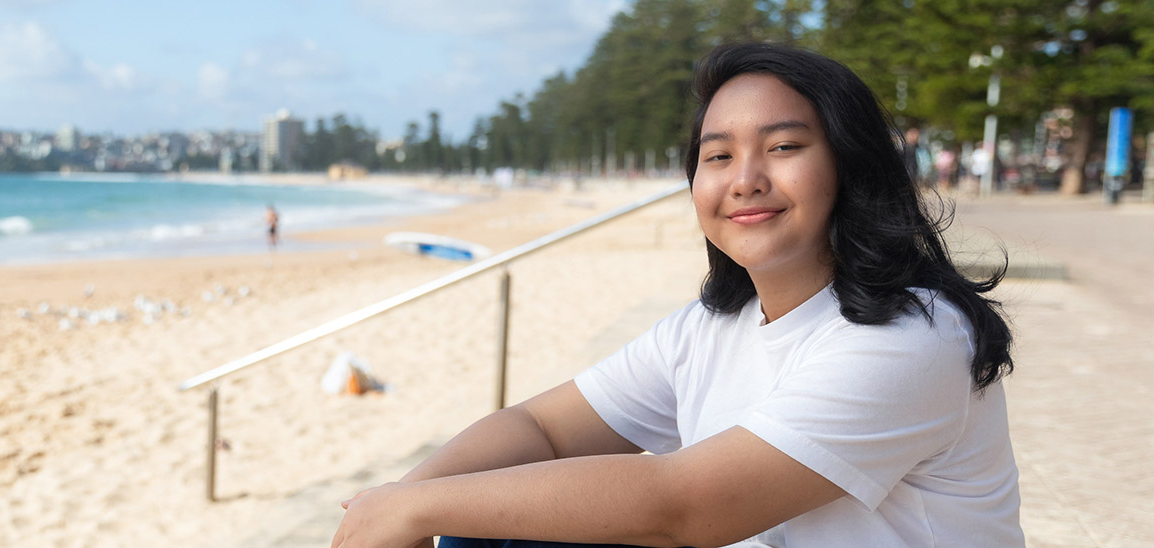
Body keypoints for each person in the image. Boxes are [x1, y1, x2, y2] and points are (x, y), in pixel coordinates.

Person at [332, 43, 1021, 548]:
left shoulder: (914, 337)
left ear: (851, 166)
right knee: (486, 527)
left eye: (782, 147)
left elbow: (684, 506)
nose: (744, 179)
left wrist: (412, 512)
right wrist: (398, 501)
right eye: (717, 156)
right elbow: (540, 428)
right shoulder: (709, 328)